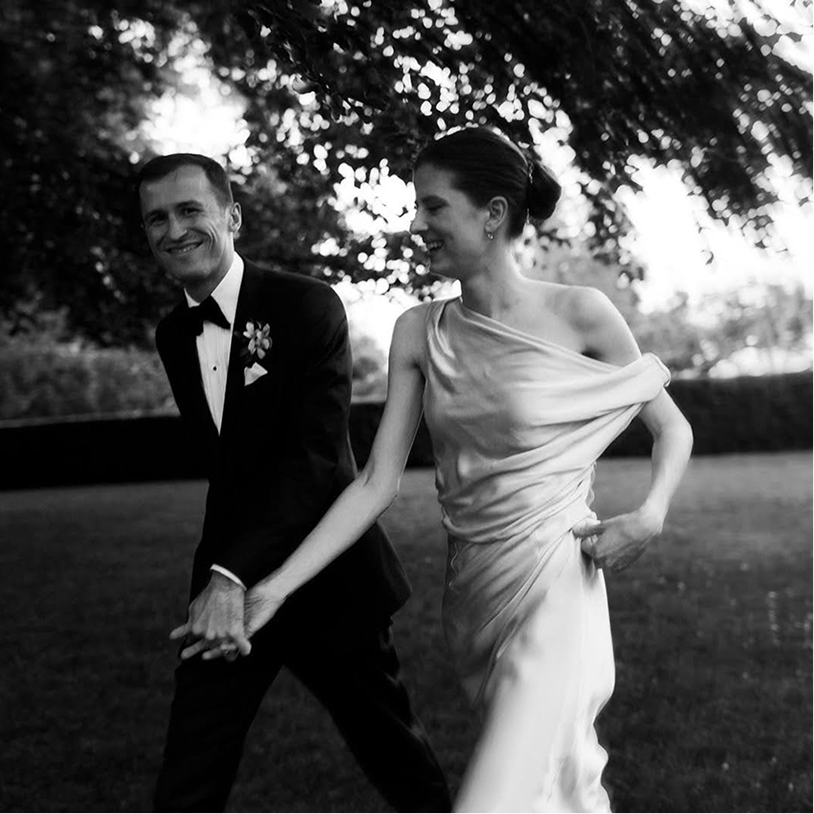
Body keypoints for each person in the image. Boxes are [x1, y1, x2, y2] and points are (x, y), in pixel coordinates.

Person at [187, 127, 694, 812]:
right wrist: (275, 588)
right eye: (415, 207)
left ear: (492, 214)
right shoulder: (417, 330)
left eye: (433, 207)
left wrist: (649, 516)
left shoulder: (582, 313)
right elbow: (374, 484)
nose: (416, 224)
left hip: (557, 585)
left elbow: (671, 427)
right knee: (557, 789)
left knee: (496, 797)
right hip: (476, 595)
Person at [138, 153, 451, 814]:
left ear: (233, 216)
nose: (174, 230)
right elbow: (230, 470)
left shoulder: (306, 304)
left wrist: (230, 573)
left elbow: (312, 460)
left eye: (190, 210)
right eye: (156, 219)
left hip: (328, 576)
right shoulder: (173, 334)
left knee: (393, 753)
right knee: (191, 761)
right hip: (229, 588)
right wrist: (222, 581)